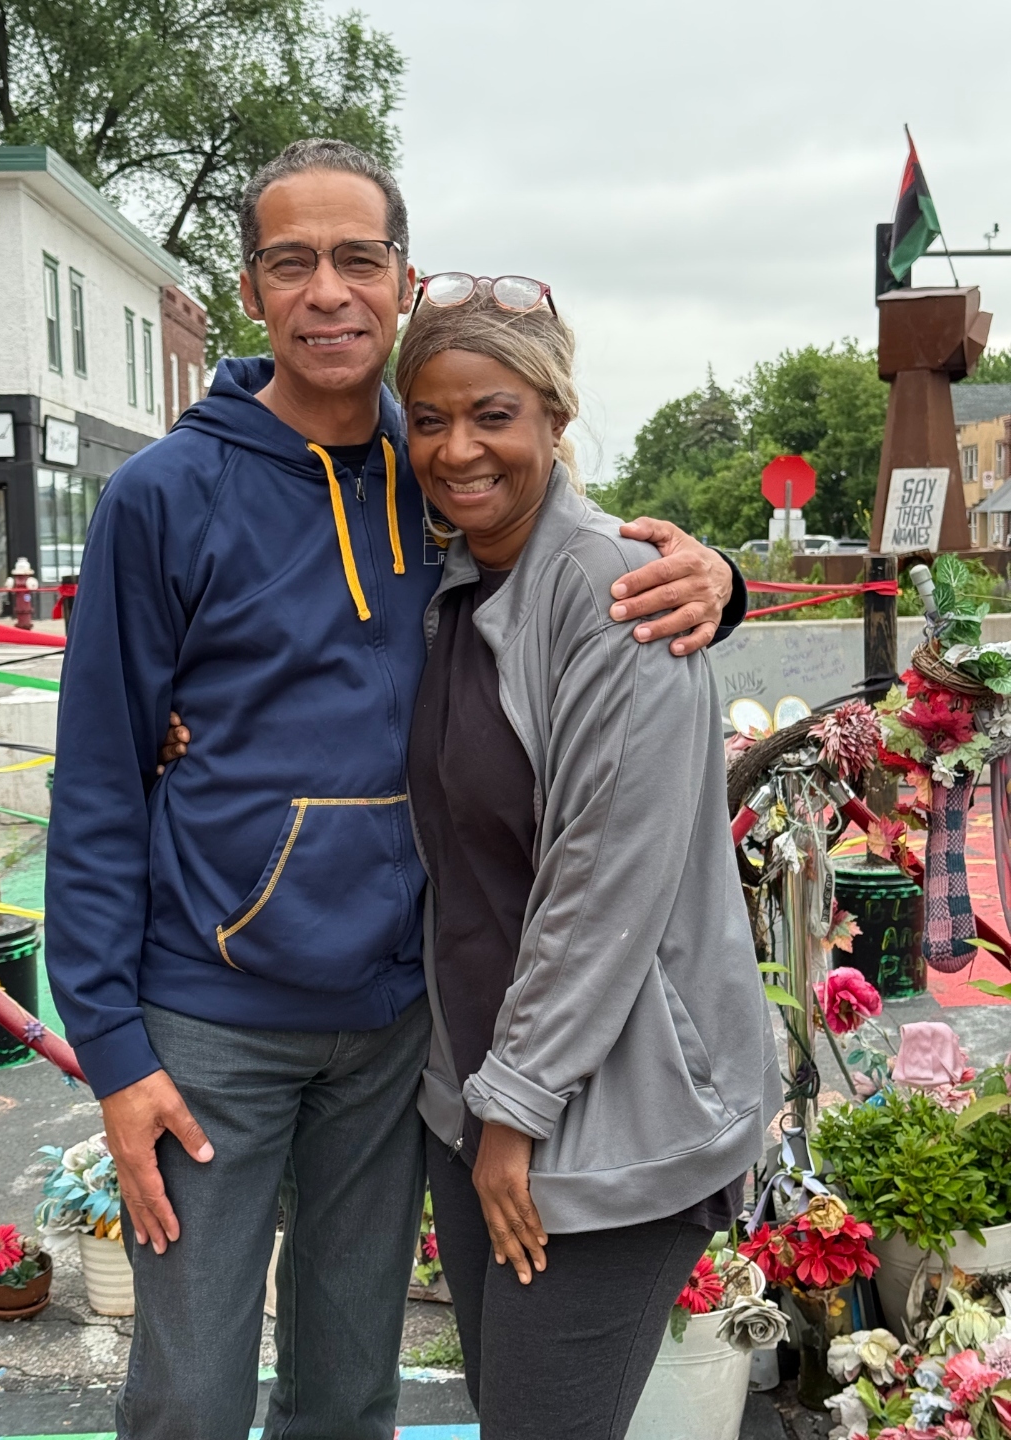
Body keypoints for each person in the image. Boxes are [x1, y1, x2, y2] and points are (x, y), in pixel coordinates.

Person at [44, 139, 747, 1440]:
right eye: (294, 261)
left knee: (347, 1393)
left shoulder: (434, 467)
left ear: (401, 278)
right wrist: (114, 1052)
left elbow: (575, 576)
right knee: (191, 1399)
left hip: (393, 1032)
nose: (329, 292)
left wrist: (719, 580)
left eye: (358, 259)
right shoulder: (162, 500)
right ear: (252, 287)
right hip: (212, 1024)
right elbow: (93, 789)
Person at [395, 278, 782, 1440]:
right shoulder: (456, 581)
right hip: (478, 1093)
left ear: (556, 419)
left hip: (599, 1116)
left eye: (493, 414)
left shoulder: (622, 600)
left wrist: (511, 1113)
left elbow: (603, 887)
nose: (458, 449)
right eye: (427, 419)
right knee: (513, 1412)